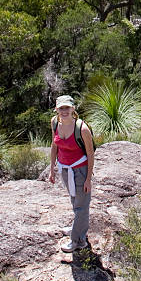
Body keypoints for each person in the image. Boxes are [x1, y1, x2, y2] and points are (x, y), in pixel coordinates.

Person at [48, 94, 94, 253]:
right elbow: (54, 146)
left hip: (80, 170)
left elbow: (90, 154)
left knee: (81, 206)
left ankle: (77, 241)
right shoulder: (55, 123)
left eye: (67, 107)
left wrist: (88, 179)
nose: (64, 111)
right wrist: (52, 169)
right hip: (65, 169)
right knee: (75, 201)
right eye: (61, 108)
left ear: (73, 109)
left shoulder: (82, 129)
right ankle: (79, 228)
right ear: (56, 110)